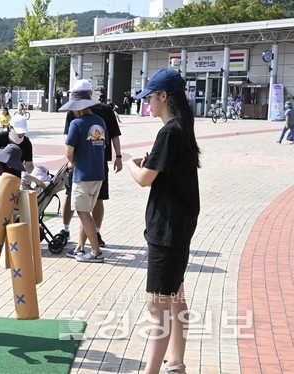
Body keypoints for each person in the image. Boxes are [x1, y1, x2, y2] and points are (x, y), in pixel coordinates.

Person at [126, 68, 200, 374]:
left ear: (164, 96)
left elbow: (144, 179)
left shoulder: (169, 131)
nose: (148, 104)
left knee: (157, 306)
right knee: (174, 298)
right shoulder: (182, 128)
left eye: (150, 98)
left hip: (166, 228)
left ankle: (151, 371)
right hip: (179, 224)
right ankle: (176, 363)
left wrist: (131, 164)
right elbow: (163, 170)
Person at [58, 80, 122, 253]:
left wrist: (72, 162)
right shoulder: (100, 120)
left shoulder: (77, 122)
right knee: (86, 209)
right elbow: (104, 140)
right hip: (98, 170)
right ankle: (80, 246)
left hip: (82, 171)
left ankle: (95, 251)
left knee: (82, 211)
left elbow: (68, 150)